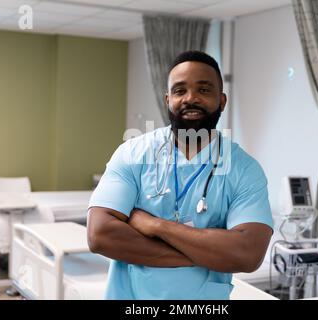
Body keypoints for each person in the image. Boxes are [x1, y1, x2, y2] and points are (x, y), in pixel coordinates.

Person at [87, 50, 273, 300]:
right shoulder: (132, 153)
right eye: (179, 90)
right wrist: (203, 255)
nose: (191, 98)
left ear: (222, 101)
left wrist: (156, 225)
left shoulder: (244, 169)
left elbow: (248, 254)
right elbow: (100, 235)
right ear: (167, 100)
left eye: (204, 90)